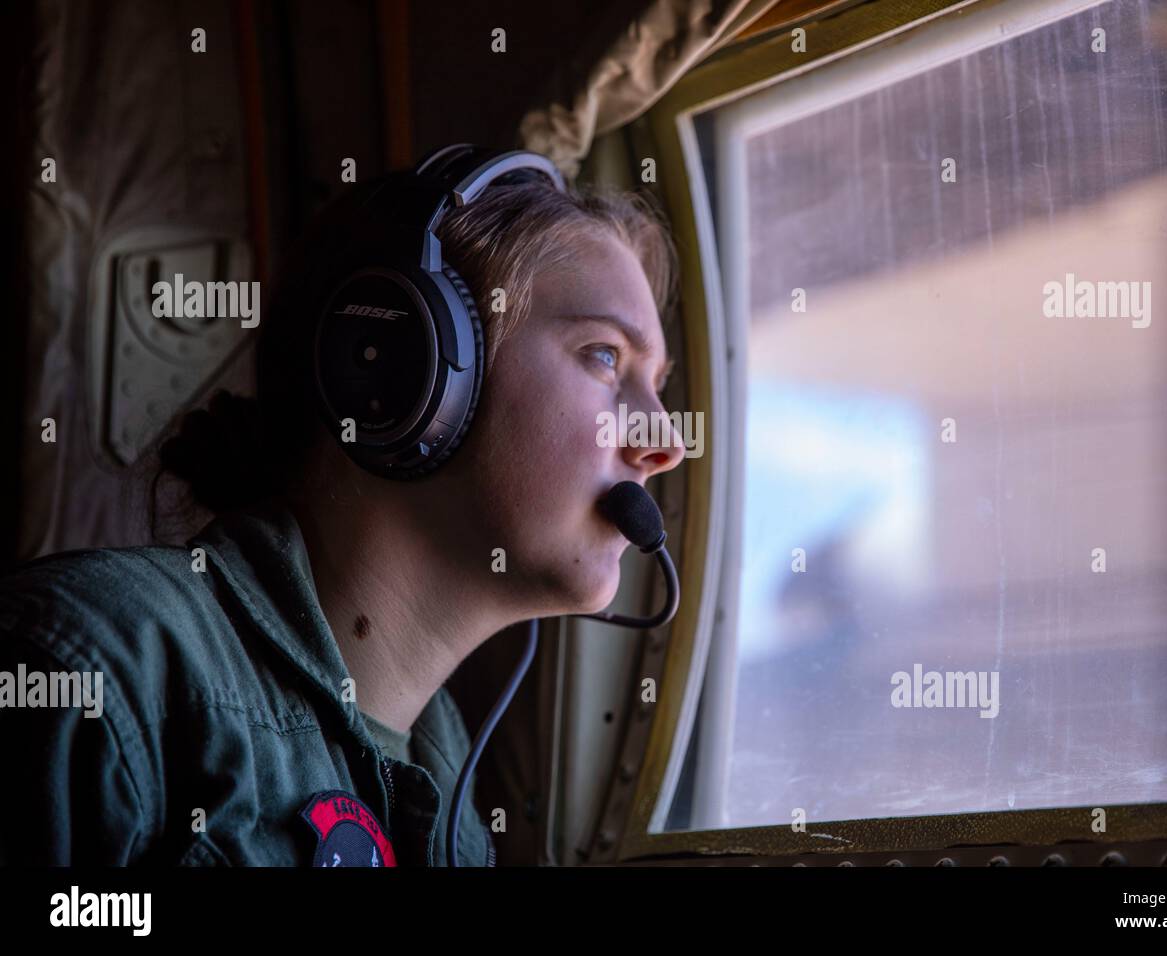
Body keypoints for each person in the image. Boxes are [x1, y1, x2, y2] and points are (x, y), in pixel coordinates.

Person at [0, 146, 686, 866]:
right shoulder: (90, 678)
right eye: (606, 356)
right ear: (403, 365)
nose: (664, 439)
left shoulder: (451, 800)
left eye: (657, 382)